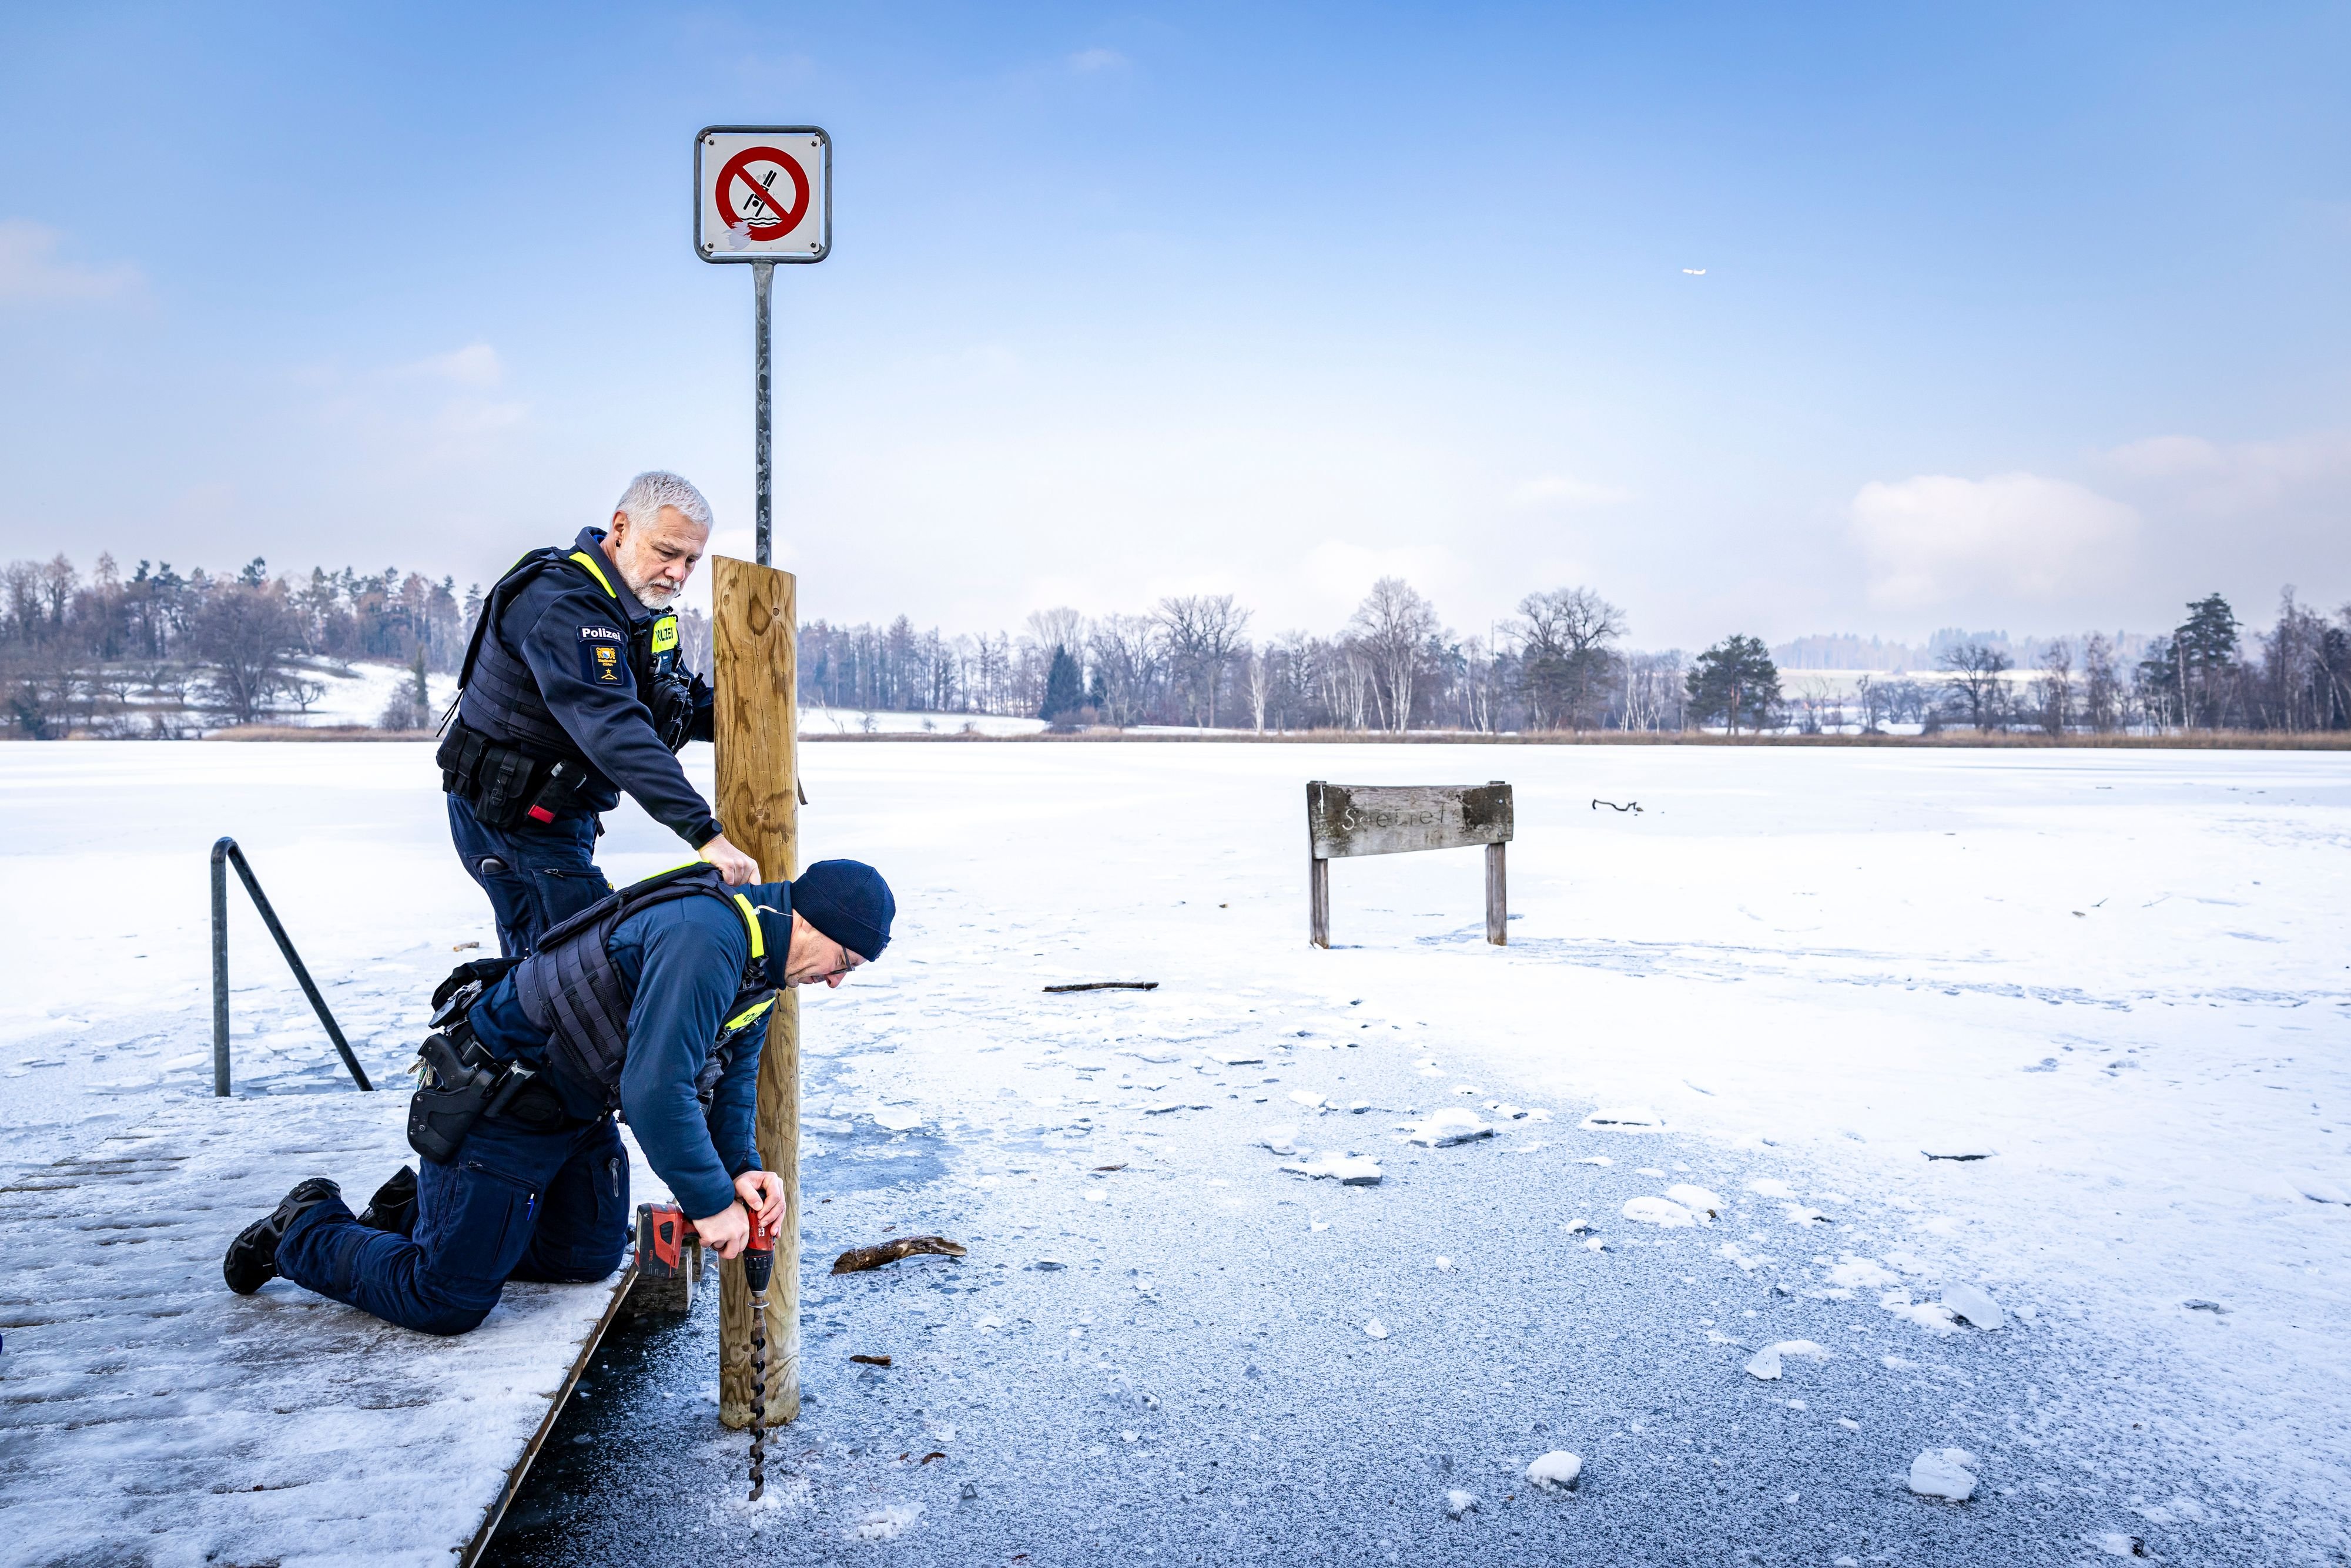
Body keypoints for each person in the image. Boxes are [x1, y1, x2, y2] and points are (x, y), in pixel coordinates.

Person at [220, 858, 896, 1336]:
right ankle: (304, 1226)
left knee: (583, 1259)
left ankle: (422, 1211)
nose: (838, 982)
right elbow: (655, 1091)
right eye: (845, 963)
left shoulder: (762, 969)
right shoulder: (705, 937)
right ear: (812, 923)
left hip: (572, 1110)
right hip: (500, 1100)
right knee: (447, 1298)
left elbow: (728, 1089)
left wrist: (741, 1169)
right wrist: (711, 1203)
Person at [437, 470, 762, 956]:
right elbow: (613, 726)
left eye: (691, 560)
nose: (679, 573)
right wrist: (704, 833)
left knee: (555, 972)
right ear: (621, 528)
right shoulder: (563, 603)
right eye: (668, 553)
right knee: (570, 977)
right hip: (511, 822)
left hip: (559, 813)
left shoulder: (636, 608)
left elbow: (676, 704)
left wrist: (765, 725)